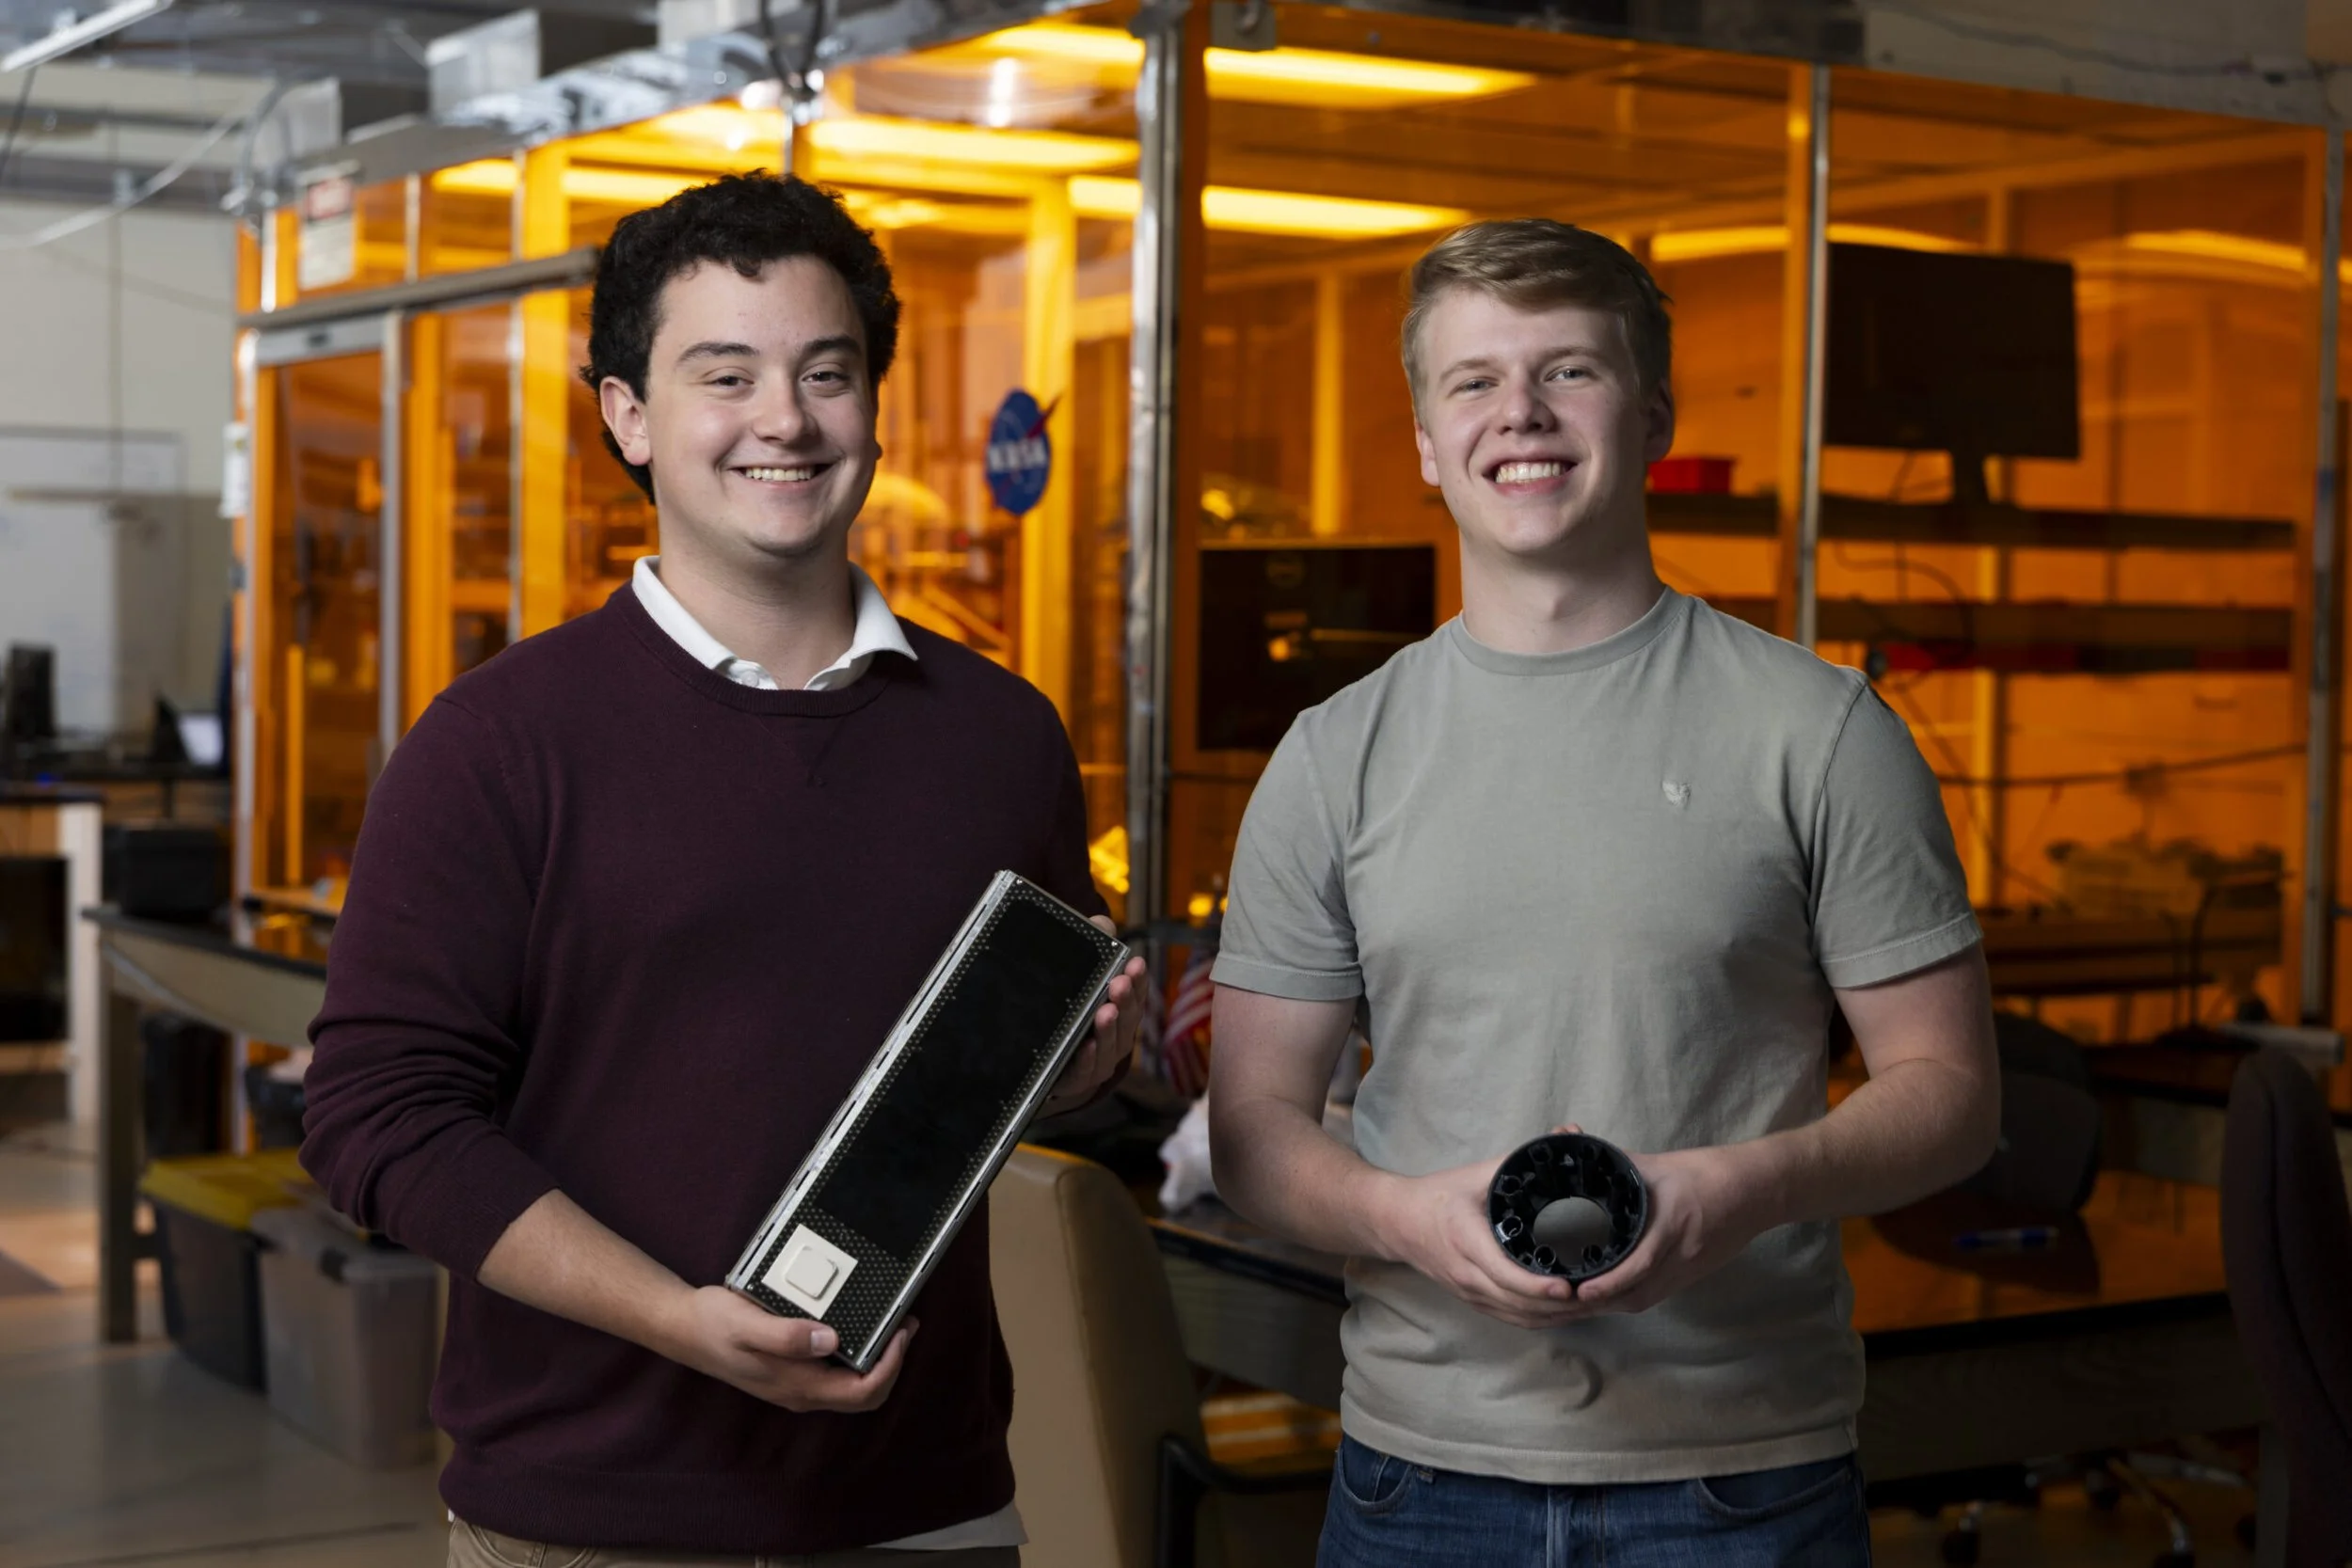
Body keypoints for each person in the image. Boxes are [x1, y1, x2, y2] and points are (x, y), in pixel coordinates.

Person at [300, 172, 1145, 1568]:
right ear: (628, 415)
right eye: (725, 374)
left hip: (927, 1507)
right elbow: (377, 1118)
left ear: (873, 404)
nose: (784, 420)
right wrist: (677, 1320)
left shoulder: (1003, 736)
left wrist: (1079, 1064)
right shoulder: (500, 741)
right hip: (590, 1518)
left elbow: (1008, 1084)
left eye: (827, 372)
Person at [1205, 218, 2000, 1566]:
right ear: (1426, 441)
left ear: (1655, 417)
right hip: (1420, 1484)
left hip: (1743, 1485)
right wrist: (1406, 1218)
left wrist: (1743, 1188)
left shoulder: (1821, 732)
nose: (1519, 412)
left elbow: (1954, 1096)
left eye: (1568, 370)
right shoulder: (1335, 754)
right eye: (1473, 380)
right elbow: (1253, 1130)